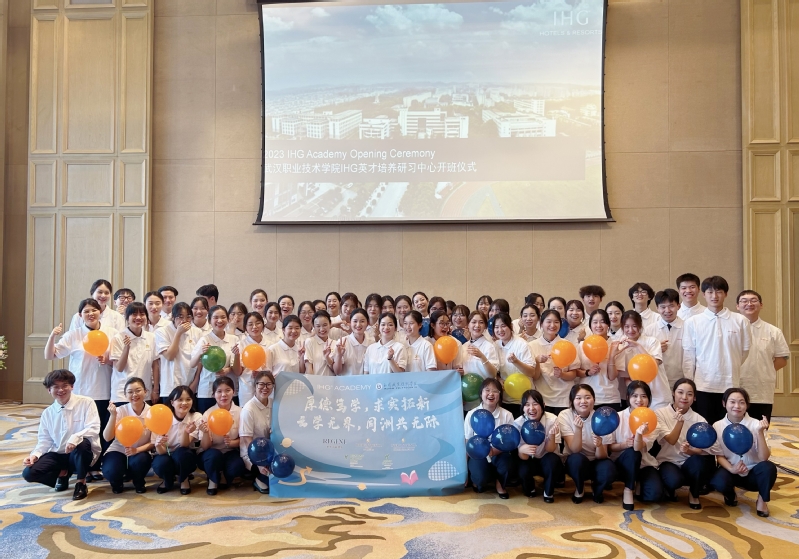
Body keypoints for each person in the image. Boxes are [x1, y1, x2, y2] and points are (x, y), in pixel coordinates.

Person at [45, 298, 117, 480]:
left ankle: (96, 466)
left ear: (100, 312)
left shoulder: (112, 333)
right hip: (80, 391)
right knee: (79, 431)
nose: (91, 314)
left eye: (94, 310)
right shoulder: (73, 335)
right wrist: (52, 336)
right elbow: (50, 355)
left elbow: (120, 360)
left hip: (104, 389)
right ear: (80, 315)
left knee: (100, 430)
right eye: (86, 311)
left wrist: (107, 360)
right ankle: (80, 467)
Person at [682, 276, 752, 425]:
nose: (714, 296)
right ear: (703, 294)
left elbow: (744, 351)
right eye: (710, 292)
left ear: (726, 294)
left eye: (719, 292)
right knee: (704, 426)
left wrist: (730, 364)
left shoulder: (740, 321)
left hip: (730, 384)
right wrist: (691, 384)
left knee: (728, 427)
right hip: (703, 385)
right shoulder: (693, 322)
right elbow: (689, 356)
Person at [22, 369, 101, 501]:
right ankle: (63, 472)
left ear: (72, 386)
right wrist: (35, 455)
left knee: (81, 444)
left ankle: (81, 482)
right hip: (59, 454)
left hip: (81, 453)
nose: (61, 390)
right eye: (56, 387)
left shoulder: (86, 402)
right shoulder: (47, 413)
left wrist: (75, 438)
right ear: (49, 390)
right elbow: (44, 440)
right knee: (29, 473)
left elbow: (94, 427)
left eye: (65, 386)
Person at [709, 388, 777, 517]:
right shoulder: (717, 426)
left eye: (741, 402)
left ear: (747, 405)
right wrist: (732, 468)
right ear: (724, 403)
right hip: (732, 471)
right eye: (732, 402)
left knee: (769, 468)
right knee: (718, 481)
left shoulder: (756, 424)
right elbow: (719, 456)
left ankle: (762, 500)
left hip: (753, 473)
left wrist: (759, 432)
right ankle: (730, 494)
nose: (737, 406)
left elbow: (764, 457)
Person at [656, 378, 719, 510]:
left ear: (694, 398)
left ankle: (694, 494)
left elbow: (702, 449)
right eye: (680, 392)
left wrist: (689, 451)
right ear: (673, 393)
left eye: (689, 394)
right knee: (673, 481)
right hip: (668, 460)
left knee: (700, 462)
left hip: (688, 461)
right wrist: (680, 423)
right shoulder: (660, 413)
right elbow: (671, 440)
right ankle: (670, 488)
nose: (684, 397)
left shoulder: (699, 420)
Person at [736, 290, 789, 423]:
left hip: (761, 389)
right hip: (734, 387)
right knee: (733, 428)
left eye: (753, 300)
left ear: (761, 305)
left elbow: (782, 360)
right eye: (744, 301)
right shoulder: (731, 329)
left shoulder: (773, 331)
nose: (749, 304)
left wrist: (764, 369)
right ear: (737, 306)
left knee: (759, 428)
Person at [609, 381, 664, 509]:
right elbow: (610, 447)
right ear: (628, 397)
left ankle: (639, 480)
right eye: (635, 396)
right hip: (621, 462)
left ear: (649, 399)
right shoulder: (618, 417)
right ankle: (628, 489)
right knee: (632, 452)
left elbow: (639, 447)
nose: (639, 400)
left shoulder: (653, 420)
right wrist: (623, 445)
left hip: (643, 464)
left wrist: (639, 434)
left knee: (654, 495)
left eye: (644, 396)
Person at [558, 384, 615, 504]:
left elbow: (602, 456)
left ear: (594, 400)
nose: (583, 401)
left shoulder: (602, 417)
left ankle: (597, 489)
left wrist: (599, 445)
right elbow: (575, 449)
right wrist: (578, 430)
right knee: (576, 460)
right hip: (576, 458)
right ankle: (579, 488)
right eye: (578, 398)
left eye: (587, 397)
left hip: (596, 460)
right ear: (572, 401)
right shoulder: (565, 415)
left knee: (608, 469)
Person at [464, 378, 514, 498]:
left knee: (507, 464)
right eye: (487, 390)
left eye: (495, 391)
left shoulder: (507, 415)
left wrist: (494, 451)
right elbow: (467, 442)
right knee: (480, 479)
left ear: (499, 395)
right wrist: (464, 471)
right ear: (481, 393)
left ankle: (500, 484)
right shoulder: (471, 414)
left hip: (499, 452)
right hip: (478, 454)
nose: (491, 394)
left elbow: (510, 442)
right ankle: (478, 481)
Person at [101, 377, 153, 494]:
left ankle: (138, 481)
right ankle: (117, 482)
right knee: (110, 470)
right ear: (125, 395)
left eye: (138, 390)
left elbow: (154, 441)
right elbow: (107, 437)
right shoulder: (120, 410)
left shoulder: (152, 412)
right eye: (130, 392)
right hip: (119, 449)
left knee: (141, 460)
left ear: (145, 392)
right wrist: (113, 416)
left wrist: (137, 450)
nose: (134, 395)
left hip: (140, 450)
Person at [610, 310, 670, 409]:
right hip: (638, 399)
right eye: (626, 326)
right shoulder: (621, 346)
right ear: (622, 327)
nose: (630, 330)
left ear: (640, 326)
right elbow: (626, 377)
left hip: (658, 394)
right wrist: (638, 394)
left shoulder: (652, 341)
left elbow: (654, 364)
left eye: (634, 326)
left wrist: (638, 346)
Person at [198, 377, 245, 495]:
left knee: (237, 466)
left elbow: (245, 437)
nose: (223, 395)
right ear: (213, 394)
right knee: (213, 457)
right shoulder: (208, 414)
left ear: (234, 392)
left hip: (230, 451)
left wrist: (233, 443)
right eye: (219, 391)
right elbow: (205, 447)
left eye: (228, 390)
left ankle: (223, 474)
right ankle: (213, 480)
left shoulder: (241, 412)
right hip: (212, 453)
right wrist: (205, 433)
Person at [190, 305, 241, 413]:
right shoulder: (205, 339)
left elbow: (237, 371)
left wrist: (228, 369)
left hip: (229, 391)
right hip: (208, 390)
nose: (220, 320)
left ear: (228, 319)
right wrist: (200, 352)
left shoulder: (234, 339)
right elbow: (192, 364)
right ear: (209, 320)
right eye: (216, 317)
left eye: (223, 317)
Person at [529, 309, 579, 417]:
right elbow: (534, 376)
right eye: (548, 321)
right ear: (541, 324)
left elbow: (574, 374)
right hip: (542, 398)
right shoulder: (532, 345)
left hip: (563, 398)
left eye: (556, 322)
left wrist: (562, 374)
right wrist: (537, 361)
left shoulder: (567, 345)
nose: (552, 325)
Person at [151, 385, 201, 494]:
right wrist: (158, 444)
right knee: (160, 463)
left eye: (188, 399)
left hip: (184, 453)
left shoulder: (196, 417)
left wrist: (186, 432)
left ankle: (184, 479)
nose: (184, 403)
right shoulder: (161, 417)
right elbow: (161, 452)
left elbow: (184, 445)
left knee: (182, 454)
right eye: (180, 400)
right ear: (172, 402)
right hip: (165, 453)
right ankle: (167, 480)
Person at [514, 389, 562, 502]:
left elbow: (550, 449)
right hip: (529, 459)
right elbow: (523, 457)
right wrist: (521, 450)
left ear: (543, 405)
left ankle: (548, 492)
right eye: (527, 405)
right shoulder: (518, 423)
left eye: (535, 404)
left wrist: (551, 436)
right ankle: (530, 487)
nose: (531, 408)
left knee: (552, 460)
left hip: (547, 456)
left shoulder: (552, 420)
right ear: (523, 408)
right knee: (522, 468)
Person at [110, 302, 160, 406]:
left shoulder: (151, 337)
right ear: (127, 317)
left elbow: (155, 365)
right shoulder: (118, 338)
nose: (138, 317)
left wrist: (155, 390)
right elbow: (119, 368)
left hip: (144, 392)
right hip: (122, 394)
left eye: (142, 314)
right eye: (134, 314)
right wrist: (127, 347)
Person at [155, 302, 202, 402]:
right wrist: (178, 333)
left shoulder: (197, 332)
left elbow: (200, 360)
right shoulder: (162, 331)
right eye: (180, 317)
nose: (184, 320)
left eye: (188, 317)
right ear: (173, 317)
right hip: (170, 386)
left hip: (191, 384)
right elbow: (169, 356)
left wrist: (195, 381)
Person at [576, 310, 621, 410]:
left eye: (602, 322)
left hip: (610, 398)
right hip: (587, 398)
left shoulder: (615, 345)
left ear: (608, 324)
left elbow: (612, 376)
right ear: (590, 325)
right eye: (595, 322)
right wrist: (588, 372)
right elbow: (576, 372)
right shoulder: (582, 345)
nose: (599, 325)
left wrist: (611, 357)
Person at [493, 312, 534, 418]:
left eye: (503, 326)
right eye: (496, 327)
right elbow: (495, 369)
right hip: (503, 399)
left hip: (521, 399)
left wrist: (516, 362)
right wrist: (498, 378)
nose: (500, 330)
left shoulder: (522, 344)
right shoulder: (495, 345)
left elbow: (531, 372)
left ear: (511, 326)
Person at [239, 371, 275, 494]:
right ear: (255, 385)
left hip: (270, 450)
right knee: (272, 483)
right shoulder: (248, 409)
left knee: (285, 477)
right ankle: (258, 478)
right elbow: (246, 440)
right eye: (261, 384)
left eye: (269, 384)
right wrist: (259, 464)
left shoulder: (274, 403)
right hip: (253, 453)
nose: (265, 388)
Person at [645, 289, 688, 388]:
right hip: (657, 380)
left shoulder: (687, 327)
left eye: (671, 306)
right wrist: (656, 349)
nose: (667, 310)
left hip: (681, 380)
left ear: (678, 306)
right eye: (663, 307)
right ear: (657, 308)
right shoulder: (649, 330)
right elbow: (644, 357)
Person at [460, 311, 499, 411]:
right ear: (468, 325)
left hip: (484, 398)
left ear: (485, 326)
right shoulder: (463, 347)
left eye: (481, 322)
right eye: (473, 322)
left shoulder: (489, 347)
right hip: (466, 398)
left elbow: (492, 374)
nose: (477, 325)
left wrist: (482, 356)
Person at [236, 312, 271, 406]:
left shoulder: (270, 344)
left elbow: (273, 367)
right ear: (245, 327)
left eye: (258, 323)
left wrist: (262, 373)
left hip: (266, 388)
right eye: (250, 324)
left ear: (263, 325)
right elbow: (238, 370)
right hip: (247, 387)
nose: (254, 327)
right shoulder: (241, 344)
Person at [333, 309, 373, 376]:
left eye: (362, 321)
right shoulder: (342, 342)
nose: (358, 325)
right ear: (350, 322)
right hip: (345, 382)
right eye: (355, 321)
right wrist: (339, 356)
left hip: (365, 382)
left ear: (367, 323)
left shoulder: (372, 343)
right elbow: (337, 372)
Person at [304, 310, 335, 376]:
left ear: (330, 324)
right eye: (318, 326)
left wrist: (327, 358)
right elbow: (308, 367)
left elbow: (336, 371)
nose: (322, 329)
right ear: (313, 326)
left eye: (325, 325)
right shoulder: (310, 342)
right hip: (315, 381)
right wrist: (312, 381)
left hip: (331, 381)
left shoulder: (335, 343)